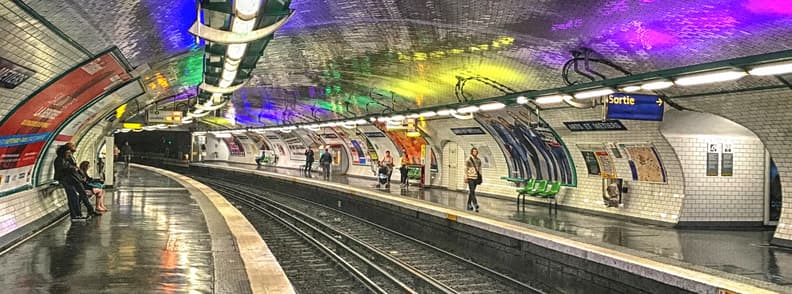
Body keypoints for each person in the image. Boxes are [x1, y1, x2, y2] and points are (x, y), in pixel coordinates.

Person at [464, 147, 482, 212]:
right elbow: (465, 168)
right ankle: (475, 203)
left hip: (476, 177)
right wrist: (465, 176)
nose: (475, 153)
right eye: (474, 151)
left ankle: (469, 204)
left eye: (476, 151)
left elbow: (479, 169)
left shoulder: (479, 160)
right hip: (470, 177)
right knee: (472, 190)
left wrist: (480, 176)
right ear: (472, 152)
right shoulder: (468, 159)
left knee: (472, 191)